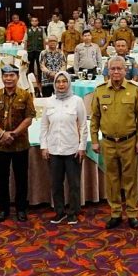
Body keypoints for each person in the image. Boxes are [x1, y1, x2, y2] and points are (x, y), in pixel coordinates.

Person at [91, 56, 138, 229]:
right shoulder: (100, 90)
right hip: (108, 143)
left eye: (119, 69)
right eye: (113, 69)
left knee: (130, 179)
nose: (116, 72)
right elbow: (95, 118)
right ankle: (115, 212)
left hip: (129, 142)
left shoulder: (134, 90)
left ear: (125, 70)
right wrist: (94, 141)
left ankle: (132, 213)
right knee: (112, 179)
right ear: (108, 71)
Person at [0, 65, 35, 223]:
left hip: (20, 144)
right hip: (0, 145)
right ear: (2, 78)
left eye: (12, 75)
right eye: (5, 76)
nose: (8, 79)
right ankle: (3, 209)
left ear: (17, 77)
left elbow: (29, 118)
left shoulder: (25, 96)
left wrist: (14, 134)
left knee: (21, 178)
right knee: (1, 178)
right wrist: (2, 133)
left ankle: (21, 209)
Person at [40, 71, 87, 225]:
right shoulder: (49, 102)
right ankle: (59, 212)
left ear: (68, 83)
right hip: (53, 150)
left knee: (74, 184)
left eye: (64, 81)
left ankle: (73, 212)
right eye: (58, 82)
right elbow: (44, 126)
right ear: (54, 84)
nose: (61, 85)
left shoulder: (77, 101)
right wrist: (44, 147)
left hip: (72, 150)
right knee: (56, 184)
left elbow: (83, 126)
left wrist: (82, 147)